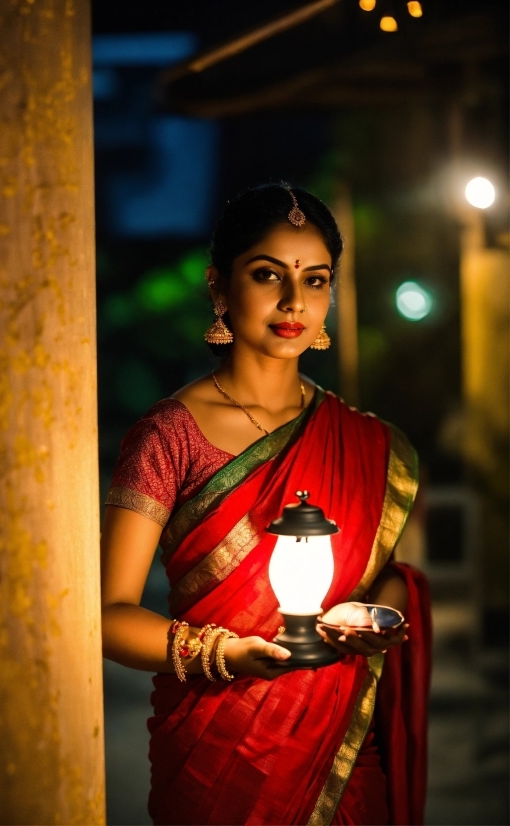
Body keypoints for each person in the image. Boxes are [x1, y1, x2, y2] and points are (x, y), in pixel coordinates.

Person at [100, 183, 431, 826]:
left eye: (315, 280)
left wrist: (372, 612)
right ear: (220, 289)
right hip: (214, 751)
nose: (293, 303)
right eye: (267, 275)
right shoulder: (168, 434)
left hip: (338, 746)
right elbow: (110, 617)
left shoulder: (368, 441)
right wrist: (226, 653)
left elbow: (393, 575)